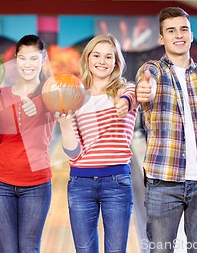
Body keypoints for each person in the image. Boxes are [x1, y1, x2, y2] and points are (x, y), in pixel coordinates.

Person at [135, 6, 197, 253]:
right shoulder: (152, 70)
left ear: (191, 35)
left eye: (183, 30)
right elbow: (147, 84)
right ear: (161, 38)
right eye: (171, 31)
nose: (178, 35)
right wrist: (144, 90)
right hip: (163, 181)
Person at [0, 34, 55, 252]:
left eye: (34, 58)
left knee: (29, 248)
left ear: (43, 60)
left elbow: (42, 136)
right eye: (23, 58)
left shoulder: (51, 94)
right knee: (7, 249)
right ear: (15, 60)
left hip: (36, 184)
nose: (28, 64)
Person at [56, 34, 138, 252]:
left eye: (108, 56)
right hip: (80, 183)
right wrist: (64, 125)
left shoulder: (126, 91)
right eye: (97, 55)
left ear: (116, 62)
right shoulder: (76, 97)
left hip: (117, 183)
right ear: (88, 59)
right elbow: (74, 154)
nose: (102, 61)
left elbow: (133, 98)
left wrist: (124, 104)